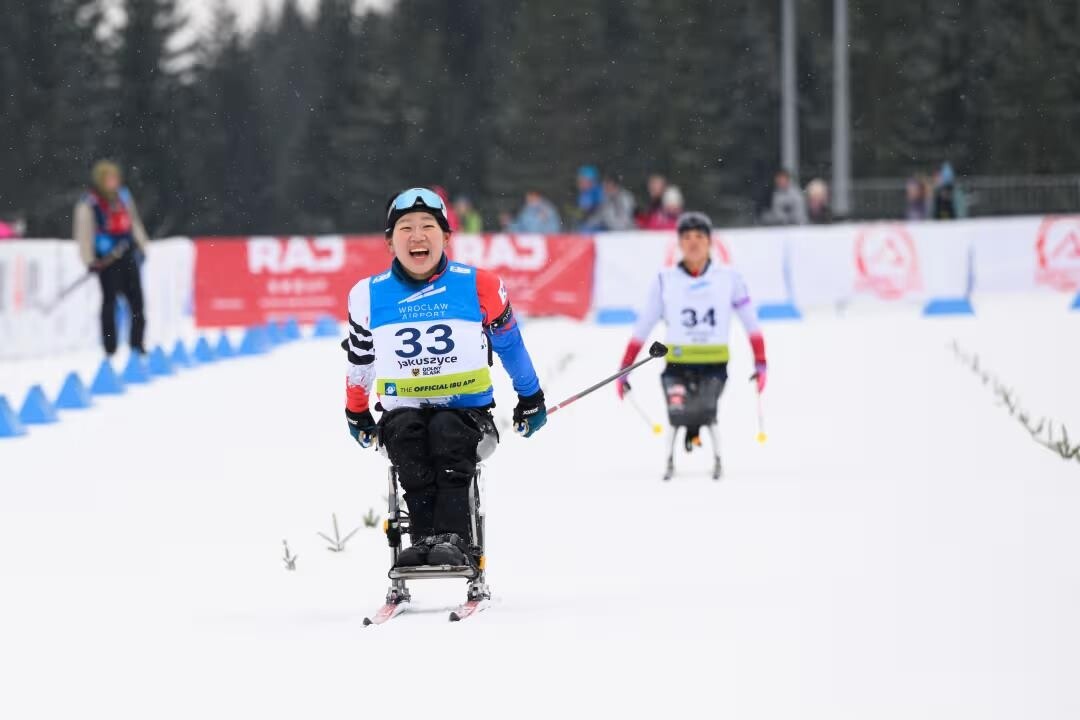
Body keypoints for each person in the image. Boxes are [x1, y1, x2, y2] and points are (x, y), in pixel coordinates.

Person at [344, 187, 547, 569]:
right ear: (389, 241)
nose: (417, 236)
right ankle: (422, 541)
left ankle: (453, 538)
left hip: (467, 416)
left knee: (446, 430)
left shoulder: (480, 285)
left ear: (447, 237)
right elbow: (360, 359)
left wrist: (530, 396)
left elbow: (510, 345)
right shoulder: (366, 295)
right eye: (405, 228)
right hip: (401, 415)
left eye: (427, 226)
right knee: (407, 432)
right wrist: (356, 411)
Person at [615, 211, 767, 479]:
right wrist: (625, 366)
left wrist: (761, 361)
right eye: (686, 237)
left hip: (714, 364)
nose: (693, 242)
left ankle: (711, 450)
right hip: (677, 364)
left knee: (706, 412)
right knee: (678, 414)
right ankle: (674, 454)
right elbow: (644, 325)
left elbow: (751, 323)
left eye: (699, 236)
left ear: (710, 241)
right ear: (679, 243)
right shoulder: (665, 279)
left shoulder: (729, 278)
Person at [73, 160, 150, 356]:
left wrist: (143, 245)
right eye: (109, 178)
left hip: (127, 254)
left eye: (115, 177)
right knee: (110, 303)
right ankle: (110, 348)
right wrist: (89, 260)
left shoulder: (123, 196)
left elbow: (134, 222)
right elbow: (84, 233)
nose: (114, 182)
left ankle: (137, 345)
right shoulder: (89, 203)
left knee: (137, 302)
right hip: (106, 260)